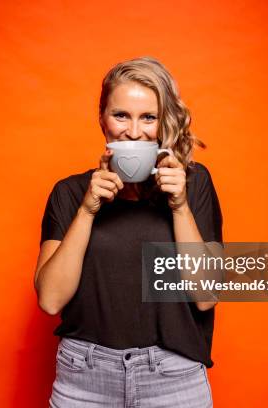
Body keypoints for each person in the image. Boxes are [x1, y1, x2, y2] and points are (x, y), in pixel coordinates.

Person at [34, 56, 223, 407]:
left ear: (162, 122)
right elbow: (50, 300)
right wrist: (88, 210)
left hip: (173, 379)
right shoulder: (70, 193)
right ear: (102, 119)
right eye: (121, 115)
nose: (134, 132)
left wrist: (179, 206)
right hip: (84, 379)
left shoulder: (193, 184)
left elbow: (207, 295)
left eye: (148, 117)